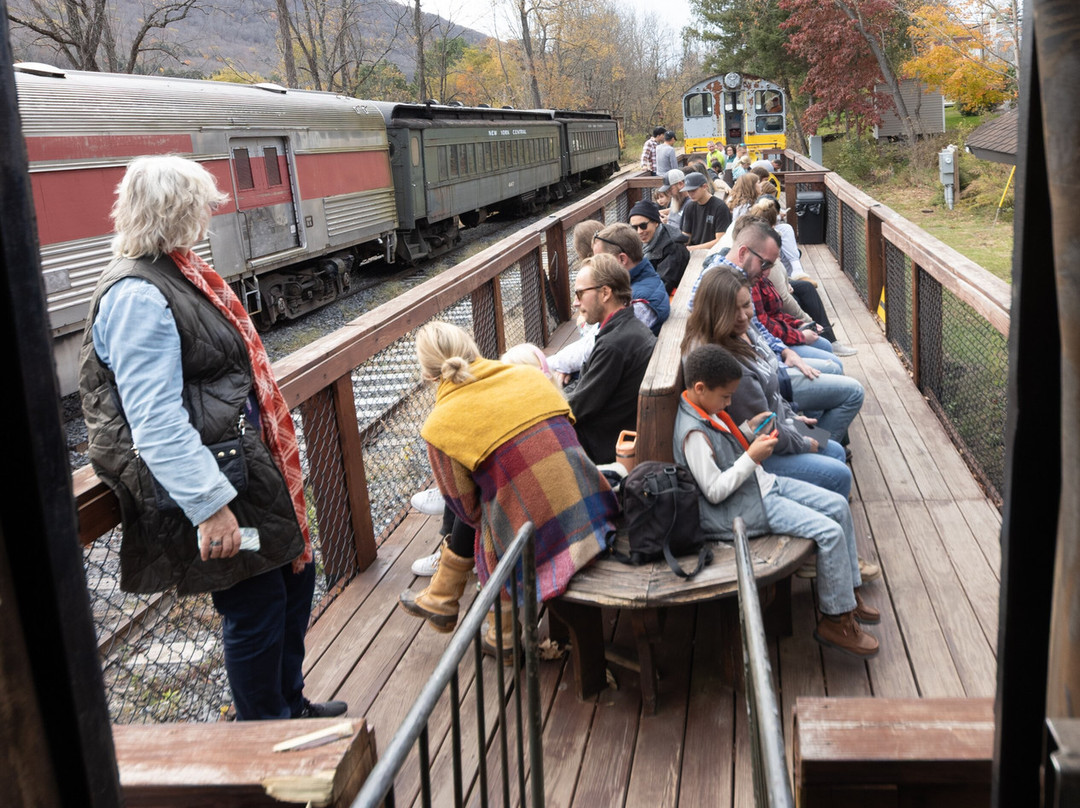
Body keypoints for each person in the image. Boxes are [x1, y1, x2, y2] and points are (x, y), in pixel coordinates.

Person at [79, 155, 346, 721]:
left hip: (244, 470)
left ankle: (288, 707)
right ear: (176, 210)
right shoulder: (137, 296)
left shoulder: (176, 272)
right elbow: (154, 420)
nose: (207, 214)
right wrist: (210, 508)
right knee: (255, 604)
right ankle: (264, 734)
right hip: (217, 489)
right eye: (199, 204)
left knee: (292, 580)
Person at [399, 323, 619, 654]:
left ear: (430, 376)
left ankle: (487, 627)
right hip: (594, 508)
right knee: (503, 498)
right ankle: (456, 609)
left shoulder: (440, 424)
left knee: (492, 513)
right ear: (472, 348)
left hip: (546, 539)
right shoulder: (528, 377)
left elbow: (467, 511)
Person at [675, 344, 879, 658]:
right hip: (743, 507)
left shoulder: (709, 407)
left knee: (838, 506)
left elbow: (733, 444)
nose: (730, 402)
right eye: (726, 397)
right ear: (700, 389)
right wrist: (751, 456)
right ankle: (835, 620)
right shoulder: (693, 432)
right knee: (830, 531)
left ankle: (846, 596)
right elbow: (714, 489)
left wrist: (747, 431)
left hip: (761, 484)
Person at [682, 266, 857, 500]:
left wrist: (794, 417)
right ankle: (824, 497)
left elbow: (774, 396)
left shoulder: (745, 330)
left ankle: (820, 489)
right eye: (733, 310)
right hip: (762, 451)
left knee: (830, 445)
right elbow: (765, 428)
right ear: (716, 313)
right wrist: (804, 444)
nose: (744, 315)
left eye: (746, 305)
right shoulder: (731, 368)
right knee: (839, 471)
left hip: (784, 422)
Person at [566, 254, 656, 463]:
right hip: (614, 437)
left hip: (601, 451)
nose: (575, 302)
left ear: (605, 292)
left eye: (580, 293)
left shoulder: (614, 345)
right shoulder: (628, 329)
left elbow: (576, 409)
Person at [592, 222, 670, 332]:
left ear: (622, 259)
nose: (596, 268)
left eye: (601, 260)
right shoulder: (642, 281)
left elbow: (607, 340)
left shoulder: (637, 303)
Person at [629, 199, 690, 295]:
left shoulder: (673, 247)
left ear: (656, 222)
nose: (639, 231)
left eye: (643, 226)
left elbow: (663, 285)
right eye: (634, 227)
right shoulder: (646, 241)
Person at [681, 172, 732, 251]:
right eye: (688, 191)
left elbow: (720, 240)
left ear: (705, 187)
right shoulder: (689, 206)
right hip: (693, 249)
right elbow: (686, 235)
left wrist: (692, 248)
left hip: (712, 252)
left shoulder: (720, 207)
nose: (690, 194)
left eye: (693, 190)